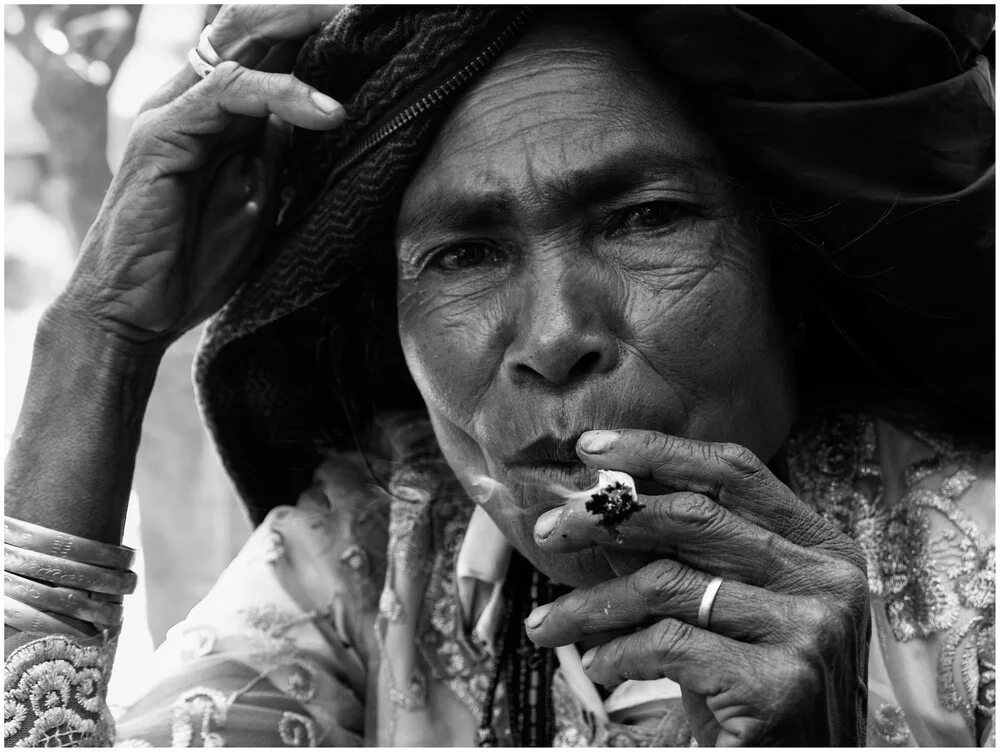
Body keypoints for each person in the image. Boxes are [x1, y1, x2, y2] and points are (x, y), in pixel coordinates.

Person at [3, 5, 994, 747]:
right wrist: (96, 336)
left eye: (645, 217)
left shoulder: (973, 575)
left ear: (788, 275)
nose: (557, 336)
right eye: (466, 254)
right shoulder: (377, 550)